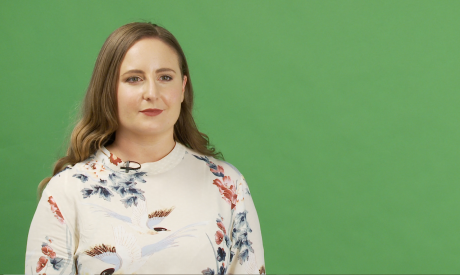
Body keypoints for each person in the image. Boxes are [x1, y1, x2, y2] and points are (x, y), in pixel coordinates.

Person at [25, 22, 265, 274]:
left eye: (165, 77)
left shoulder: (227, 185)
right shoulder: (67, 191)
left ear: (182, 87)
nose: (152, 92)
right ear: (109, 90)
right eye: (134, 79)